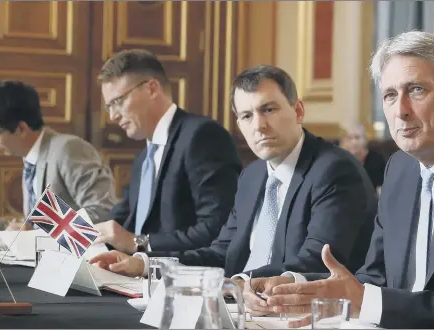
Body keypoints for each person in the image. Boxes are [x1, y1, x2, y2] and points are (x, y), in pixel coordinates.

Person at [244, 31, 434, 329]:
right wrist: (294, 286)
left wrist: (365, 300)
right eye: (390, 95)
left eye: (416, 90)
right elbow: (374, 278)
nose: (401, 111)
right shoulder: (400, 168)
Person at [90, 64, 377, 281]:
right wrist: (145, 264)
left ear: (298, 111)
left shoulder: (334, 170)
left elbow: (316, 263)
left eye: (269, 109)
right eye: (247, 116)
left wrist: (238, 285)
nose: (259, 126)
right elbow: (221, 254)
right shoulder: (252, 177)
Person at [93, 49, 242, 255]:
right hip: (136, 276)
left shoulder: (202, 136)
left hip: (182, 279)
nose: (112, 116)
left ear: (152, 89)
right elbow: (120, 223)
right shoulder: (143, 159)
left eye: (117, 102)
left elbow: (216, 229)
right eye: (109, 107)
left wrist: (139, 243)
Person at [0, 80, 117, 230]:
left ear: (21, 128)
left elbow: (103, 212)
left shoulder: (68, 149)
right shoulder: (31, 158)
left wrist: (36, 234)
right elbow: (33, 225)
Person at [339, 122, 386, 194]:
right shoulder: (339, 161)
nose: (353, 142)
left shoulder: (377, 160)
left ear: (365, 140)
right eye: (349, 138)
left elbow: (381, 189)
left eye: (357, 137)